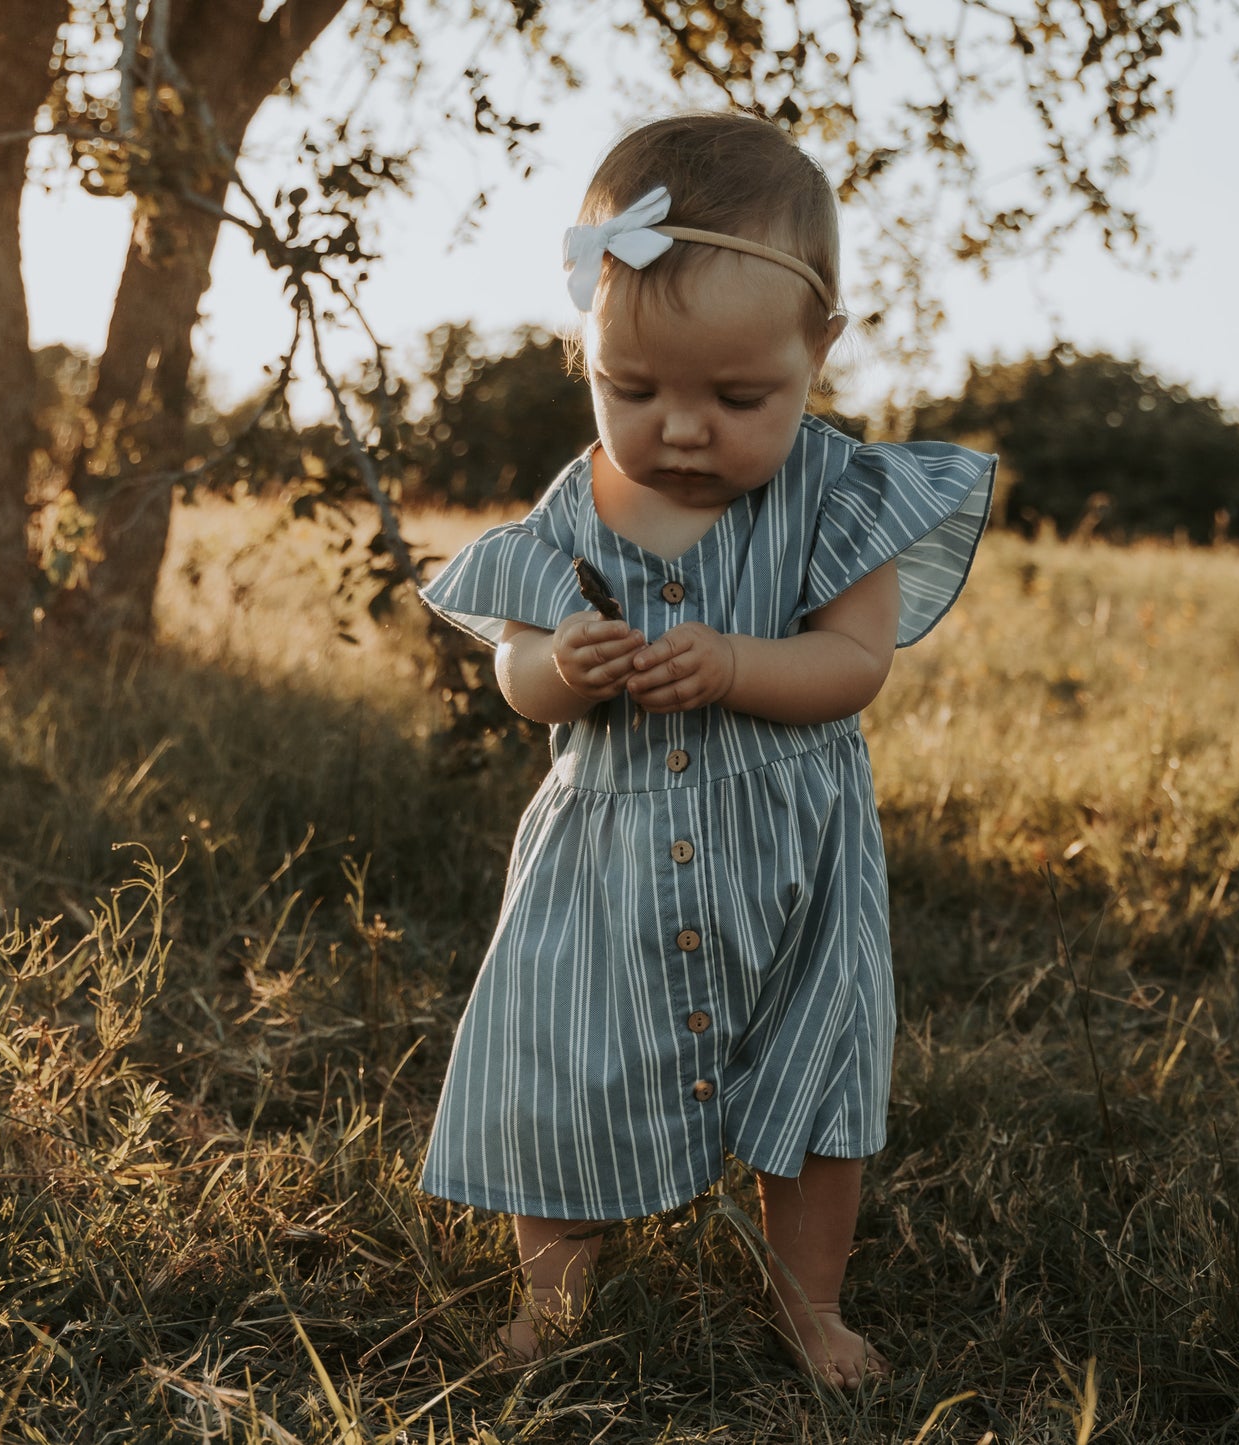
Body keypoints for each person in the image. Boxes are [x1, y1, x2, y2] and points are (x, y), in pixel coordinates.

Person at [420, 110, 994, 1389]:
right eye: (633, 390)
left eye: (739, 397)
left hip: (796, 867)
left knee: (818, 1082)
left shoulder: (839, 497)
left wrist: (736, 661)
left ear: (817, 351)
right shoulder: (567, 515)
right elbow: (517, 673)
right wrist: (559, 666)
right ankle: (555, 1301)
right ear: (586, 355)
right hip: (605, 866)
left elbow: (854, 665)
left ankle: (813, 1307)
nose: (681, 427)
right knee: (563, 1067)